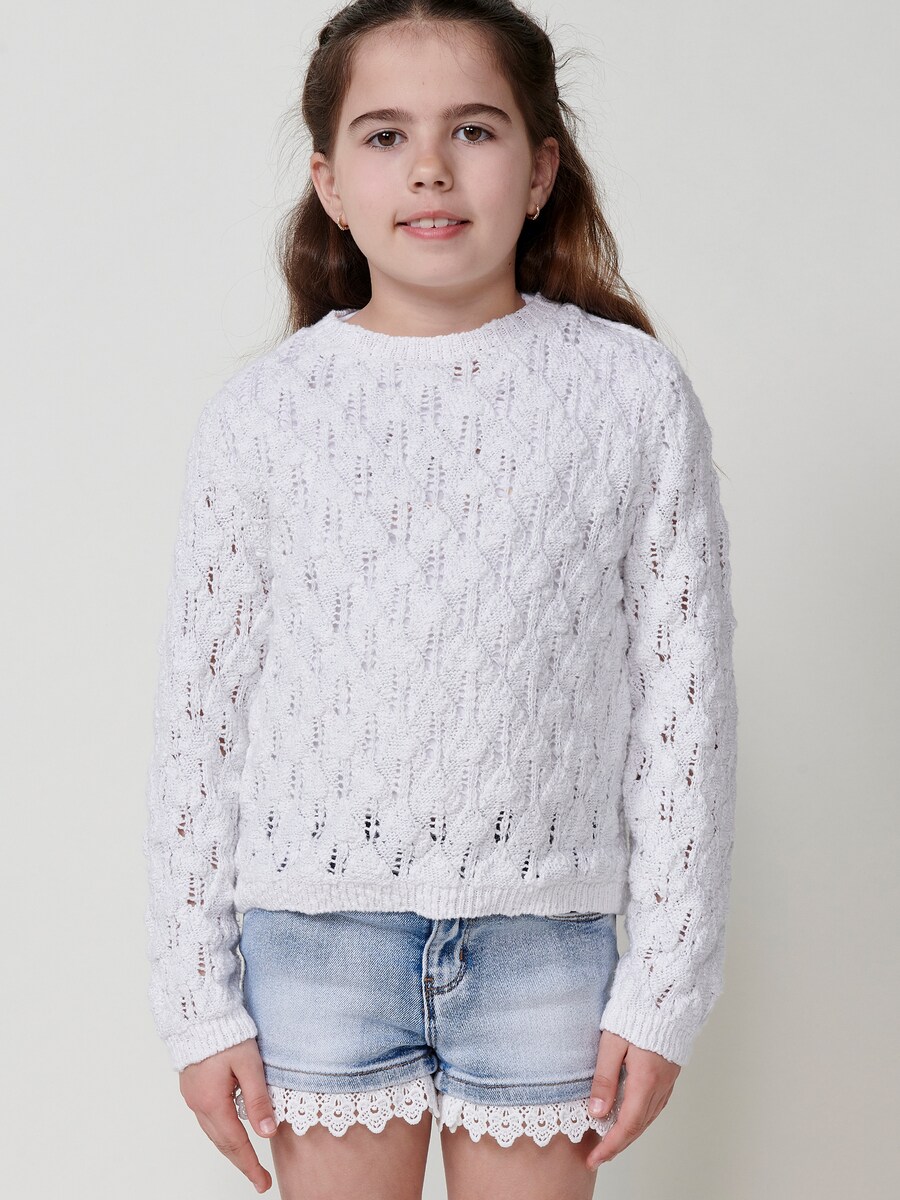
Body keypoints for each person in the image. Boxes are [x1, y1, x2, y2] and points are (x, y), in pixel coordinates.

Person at [142, 2, 739, 1198]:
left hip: (546, 950)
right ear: (328, 181)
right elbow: (200, 723)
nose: (429, 167)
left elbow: (687, 708)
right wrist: (195, 999)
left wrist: (666, 985)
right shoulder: (265, 415)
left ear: (541, 171)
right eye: (384, 136)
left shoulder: (630, 394)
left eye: (473, 129)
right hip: (314, 945)